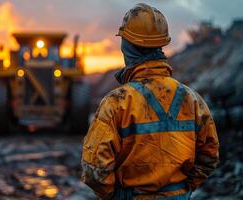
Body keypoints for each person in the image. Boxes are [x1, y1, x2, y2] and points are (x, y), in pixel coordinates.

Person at [81, 3, 219, 200]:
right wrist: (182, 189)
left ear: (126, 46)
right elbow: (210, 156)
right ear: (161, 45)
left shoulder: (116, 102)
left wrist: (119, 195)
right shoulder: (192, 99)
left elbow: (94, 170)